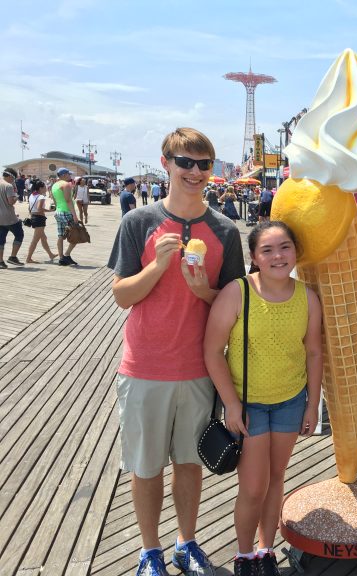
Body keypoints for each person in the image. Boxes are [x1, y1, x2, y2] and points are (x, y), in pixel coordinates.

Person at [108, 127, 246, 576]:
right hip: (145, 367)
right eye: (184, 161)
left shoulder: (225, 230)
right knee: (145, 467)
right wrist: (158, 265)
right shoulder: (139, 222)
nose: (194, 171)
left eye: (204, 163)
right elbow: (123, 295)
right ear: (165, 162)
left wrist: (203, 291)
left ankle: (187, 543)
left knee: (189, 464)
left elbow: (232, 303)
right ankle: (150, 552)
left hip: (199, 367)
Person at [204, 221, 322, 576]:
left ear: (295, 252)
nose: (277, 256)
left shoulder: (307, 297)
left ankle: (265, 549)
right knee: (253, 486)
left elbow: (314, 351)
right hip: (248, 404)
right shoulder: (238, 292)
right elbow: (212, 351)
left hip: (289, 400)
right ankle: (243, 555)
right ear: (254, 257)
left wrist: (312, 403)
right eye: (267, 250)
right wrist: (232, 403)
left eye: (284, 247)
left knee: (275, 479)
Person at [50, 167, 80, 266]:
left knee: (61, 235)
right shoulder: (66, 185)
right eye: (68, 174)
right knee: (77, 234)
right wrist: (75, 216)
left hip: (58, 212)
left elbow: (54, 201)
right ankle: (66, 255)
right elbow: (68, 201)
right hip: (66, 212)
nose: (70, 176)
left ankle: (61, 258)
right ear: (63, 175)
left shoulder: (54, 185)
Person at [25, 180, 57, 263]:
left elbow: (29, 208)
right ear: (40, 188)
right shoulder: (41, 197)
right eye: (45, 187)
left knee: (43, 238)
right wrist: (49, 210)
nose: (46, 188)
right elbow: (39, 209)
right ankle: (28, 258)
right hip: (39, 219)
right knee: (35, 240)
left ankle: (50, 254)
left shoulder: (32, 195)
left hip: (34, 217)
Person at [1, 167, 25, 268]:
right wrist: (16, 197)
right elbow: (11, 202)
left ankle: (0, 262)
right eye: (13, 178)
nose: (13, 180)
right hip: (9, 217)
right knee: (19, 234)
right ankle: (13, 257)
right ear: (10, 176)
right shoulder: (8, 186)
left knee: (1, 239)